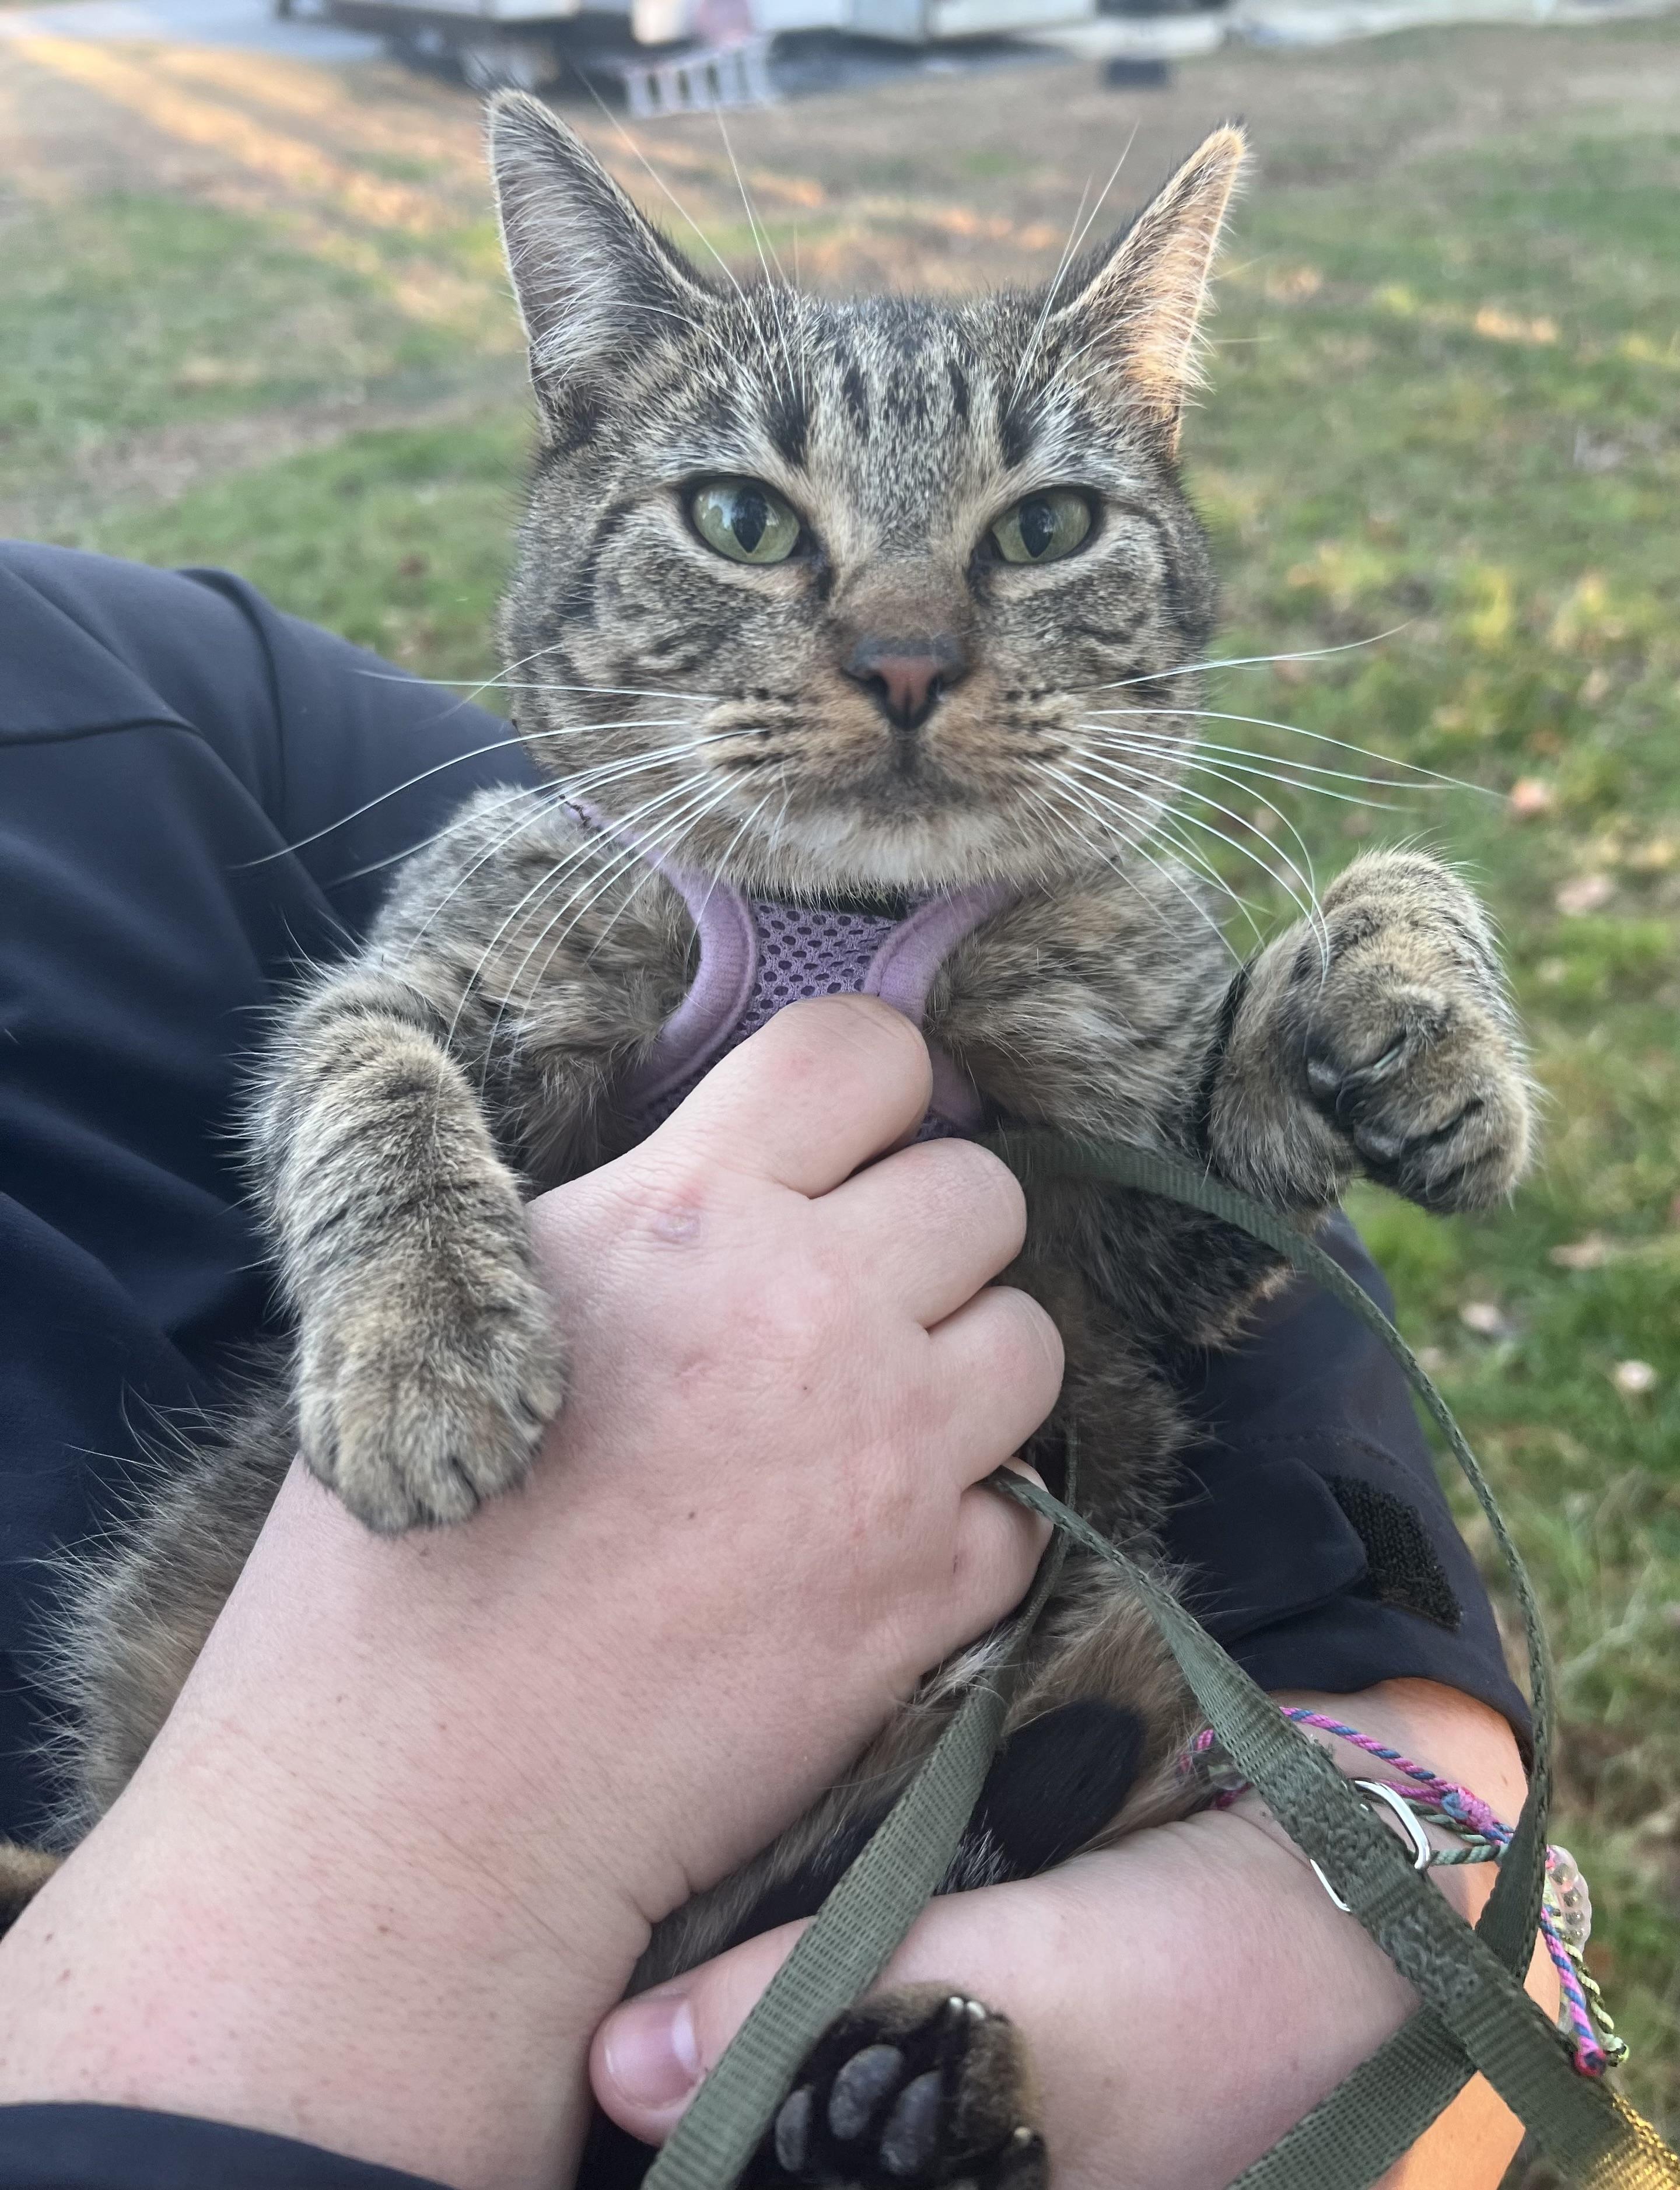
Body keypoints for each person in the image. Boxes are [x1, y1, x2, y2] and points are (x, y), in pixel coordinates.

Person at [0, 544, 1550, 2190]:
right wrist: (402, 1827)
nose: (905, 645)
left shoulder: (125, 684)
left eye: (1032, 532)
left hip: (1003, 1804)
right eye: (748, 516)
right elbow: (372, 1037)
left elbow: (1188, 1248)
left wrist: (1397, 1745)